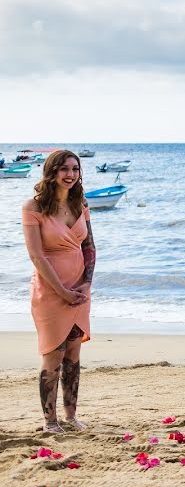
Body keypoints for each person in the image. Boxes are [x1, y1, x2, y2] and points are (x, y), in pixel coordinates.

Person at [22, 150, 96, 433]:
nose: (70, 174)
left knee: (74, 355)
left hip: (79, 290)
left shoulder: (81, 204)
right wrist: (63, 292)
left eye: (75, 169)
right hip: (50, 291)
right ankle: (50, 421)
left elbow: (89, 248)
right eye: (64, 168)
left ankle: (71, 417)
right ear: (51, 172)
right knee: (53, 355)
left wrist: (85, 284)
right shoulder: (34, 206)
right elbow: (37, 256)